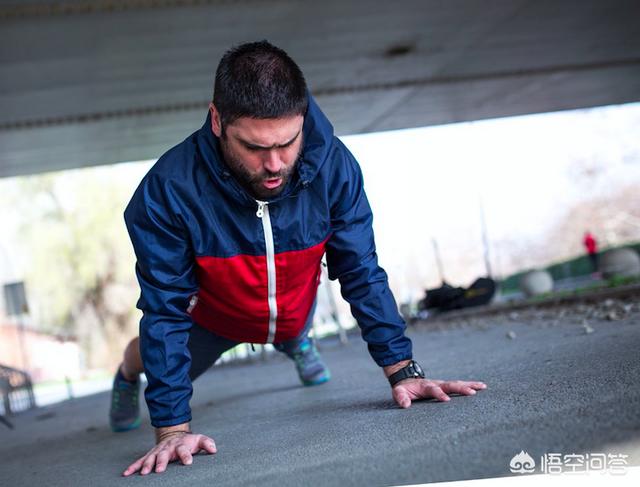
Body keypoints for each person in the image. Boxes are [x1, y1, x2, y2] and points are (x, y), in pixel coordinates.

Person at [110, 40, 487, 477]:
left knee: (291, 326)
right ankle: (125, 373)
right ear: (217, 120)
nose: (274, 164)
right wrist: (172, 429)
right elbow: (166, 310)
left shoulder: (335, 167)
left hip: (293, 309)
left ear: (303, 117)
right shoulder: (166, 191)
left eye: (287, 143)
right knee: (148, 356)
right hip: (216, 318)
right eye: (254, 147)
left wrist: (404, 371)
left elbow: (360, 270)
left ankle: (295, 340)